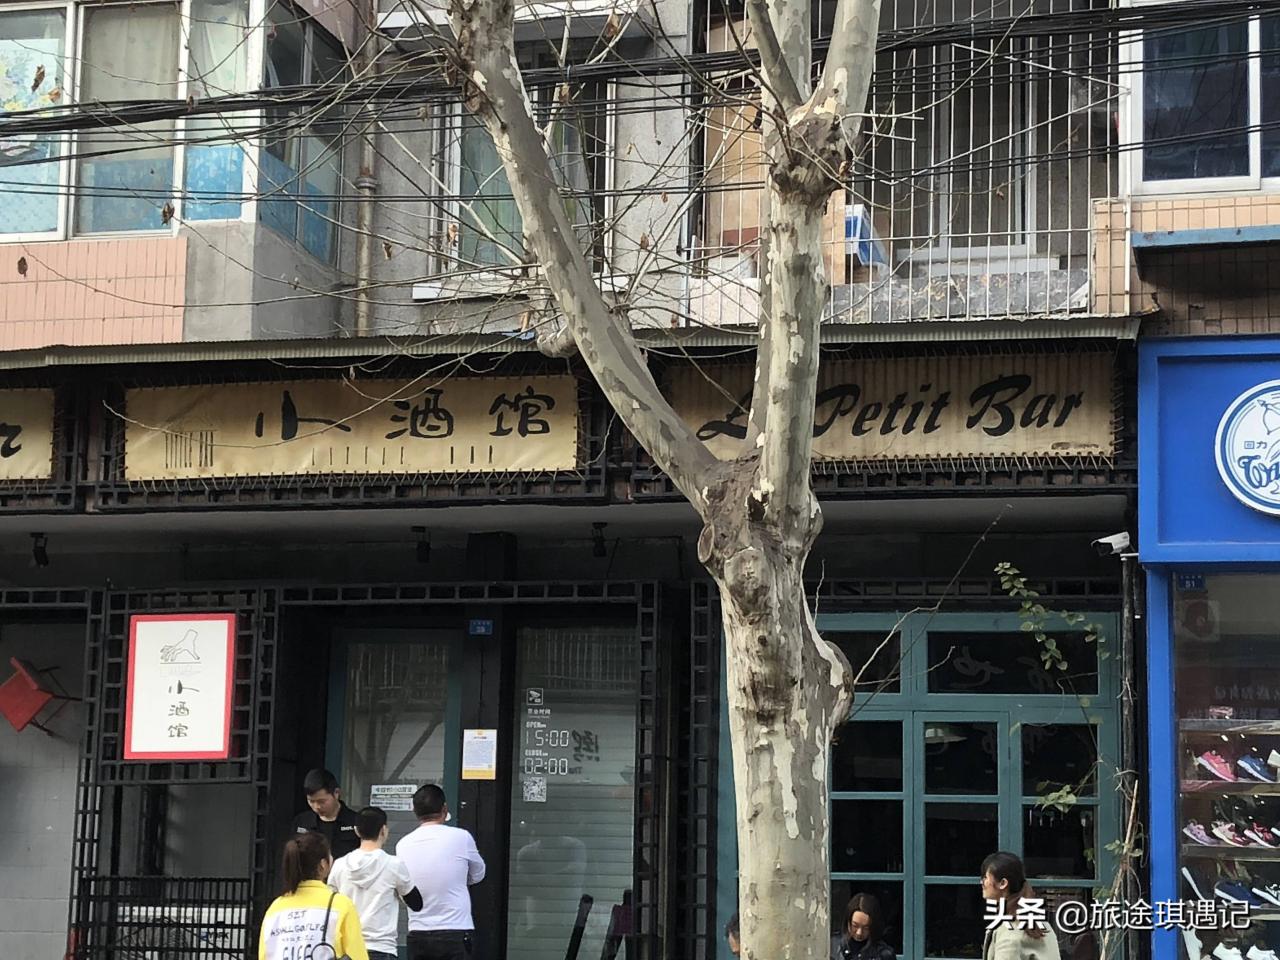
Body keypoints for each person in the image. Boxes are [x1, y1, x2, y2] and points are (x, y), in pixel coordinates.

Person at [396, 784, 486, 960]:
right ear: (444, 809)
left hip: (418, 931)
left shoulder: (403, 844)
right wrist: (457, 879)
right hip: (456, 929)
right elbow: (478, 873)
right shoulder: (462, 837)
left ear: (415, 811)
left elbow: (404, 886)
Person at [328, 806, 425, 960]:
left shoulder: (339, 865)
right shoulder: (394, 865)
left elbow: (330, 905)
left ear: (356, 831)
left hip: (348, 949)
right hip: (382, 948)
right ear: (383, 830)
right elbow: (416, 904)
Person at [259, 831, 369, 960]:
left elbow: (264, 955)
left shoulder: (275, 908)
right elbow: (357, 956)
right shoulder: (340, 905)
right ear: (323, 865)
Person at [980, 851, 1061, 960]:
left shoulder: (1009, 933)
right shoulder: (1042, 926)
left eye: (985, 877)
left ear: (1003, 883)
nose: (982, 882)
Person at [291, 768, 361, 860]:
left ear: (336, 793)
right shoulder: (302, 821)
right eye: (311, 801)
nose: (317, 806)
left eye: (322, 801)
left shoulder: (356, 821)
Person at [832, 893, 896, 960]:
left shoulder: (884, 954)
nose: (859, 932)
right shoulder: (833, 946)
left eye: (866, 928)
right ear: (848, 922)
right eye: (855, 926)